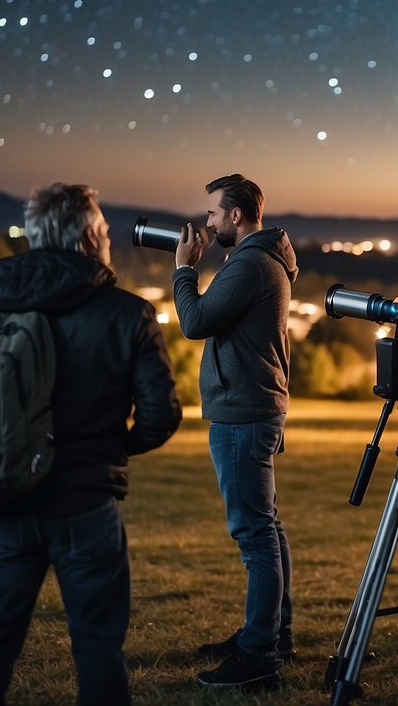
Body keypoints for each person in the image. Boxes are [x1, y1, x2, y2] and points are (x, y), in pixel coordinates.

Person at [0, 183, 182, 705]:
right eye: (102, 230)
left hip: (5, 503)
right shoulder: (128, 315)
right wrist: (111, 450)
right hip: (86, 506)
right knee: (98, 652)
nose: (106, 238)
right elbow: (160, 416)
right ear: (86, 238)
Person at [172, 173, 299, 689]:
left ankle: (258, 656)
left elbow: (195, 320)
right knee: (267, 526)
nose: (207, 223)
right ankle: (270, 633)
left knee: (255, 535)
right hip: (252, 406)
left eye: (212, 215)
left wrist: (183, 270)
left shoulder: (249, 264)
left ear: (237, 216)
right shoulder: (259, 261)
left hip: (243, 412)